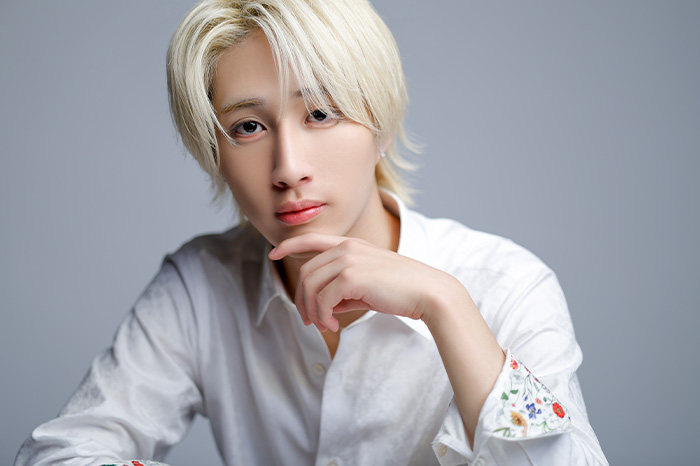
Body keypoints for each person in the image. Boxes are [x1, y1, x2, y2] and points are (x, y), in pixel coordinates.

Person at [15, 0, 608, 465]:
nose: (288, 167)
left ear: (381, 124)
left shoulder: (508, 286)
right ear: (214, 154)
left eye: (321, 113)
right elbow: (58, 455)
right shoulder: (201, 287)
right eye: (247, 127)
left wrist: (446, 305)